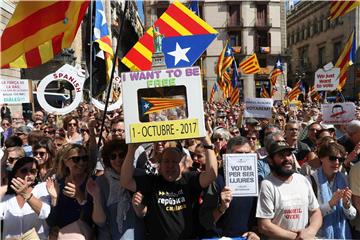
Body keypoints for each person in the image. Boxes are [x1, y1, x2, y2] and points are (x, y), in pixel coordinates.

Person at [120, 136, 217, 239]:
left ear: (182, 165)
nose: (170, 165)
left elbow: (211, 174)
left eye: (175, 162)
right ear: (159, 166)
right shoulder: (152, 182)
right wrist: (131, 150)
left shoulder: (189, 180)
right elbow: (126, 181)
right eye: (166, 161)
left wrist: (207, 143)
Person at [256, 141, 322, 239]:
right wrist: (296, 237)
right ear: (270, 160)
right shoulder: (267, 185)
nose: (287, 159)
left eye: (289, 154)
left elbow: (316, 212)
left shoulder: (302, 179)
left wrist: (310, 231)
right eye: (281, 155)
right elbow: (264, 225)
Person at [199, 136, 259, 239]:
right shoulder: (216, 180)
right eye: (239, 153)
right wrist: (221, 208)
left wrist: (255, 231)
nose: (244, 157)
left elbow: (260, 216)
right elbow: (205, 221)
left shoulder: (257, 180)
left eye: (247, 153)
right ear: (227, 154)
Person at [91, 139, 144, 239]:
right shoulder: (101, 182)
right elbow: (100, 222)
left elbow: (145, 214)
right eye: (113, 156)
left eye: (122, 155)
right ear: (108, 160)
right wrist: (96, 198)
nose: (118, 160)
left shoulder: (140, 176)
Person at [46, 144, 94, 239]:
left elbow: (93, 218)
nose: (81, 163)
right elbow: (52, 221)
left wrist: (80, 197)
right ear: (65, 162)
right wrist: (54, 198)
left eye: (84, 158)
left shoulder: (93, 182)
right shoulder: (58, 183)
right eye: (76, 159)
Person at [309, 142, 356, 239]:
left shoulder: (344, 178)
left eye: (341, 159)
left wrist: (347, 205)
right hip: (319, 236)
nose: (337, 162)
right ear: (321, 158)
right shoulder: (310, 180)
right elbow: (308, 215)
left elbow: (352, 216)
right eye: (333, 158)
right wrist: (330, 204)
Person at [0, 157, 51, 239]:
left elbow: (45, 213)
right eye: (24, 171)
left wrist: (26, 194)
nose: (28, 175)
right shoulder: (7, 195)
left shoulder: (42, 188)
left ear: (36, 173)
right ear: (16, 173)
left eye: (32, 171)